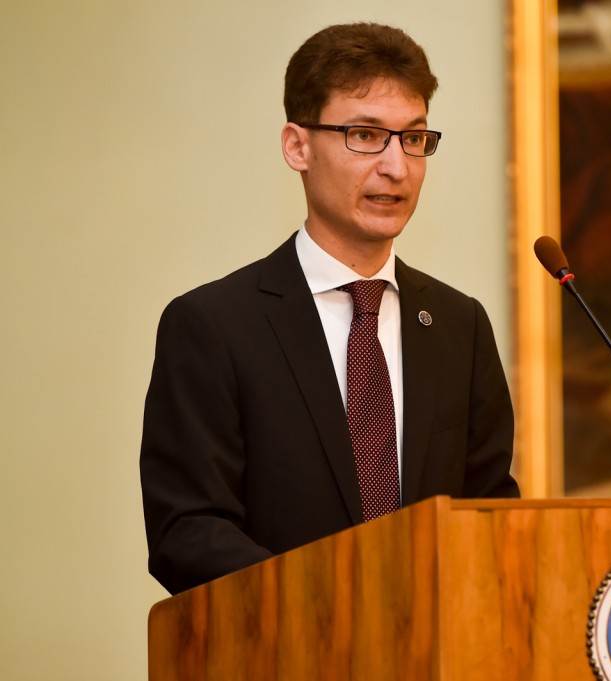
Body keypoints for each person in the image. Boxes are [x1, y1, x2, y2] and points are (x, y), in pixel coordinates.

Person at [140, 23, 519, 595]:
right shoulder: (214, 326)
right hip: (282, 638)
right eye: (366, 135)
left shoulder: (459, 325)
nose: (397, 166)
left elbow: (490, 514)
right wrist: (334, 606)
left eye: (414, 138)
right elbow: (188, 532)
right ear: (298, 146)